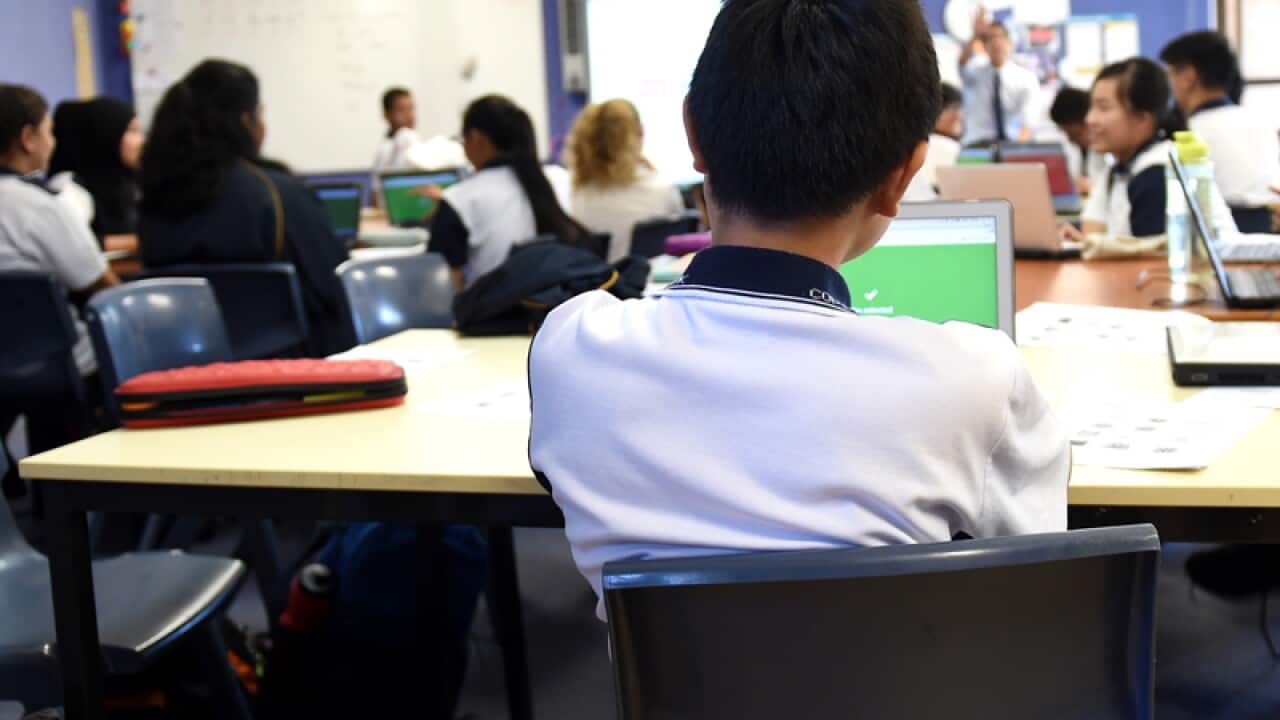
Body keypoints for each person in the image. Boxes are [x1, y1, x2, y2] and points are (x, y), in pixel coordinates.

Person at [529, 0, 1071, 620]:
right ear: (904, 175)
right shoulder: (976, 378)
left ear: (694, 137)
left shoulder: (572, 346)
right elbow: (1039, 572)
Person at [138, 60, 353, 355]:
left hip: (180, 372)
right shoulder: (279, 196)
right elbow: (338, 286)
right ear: (244, 121)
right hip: (291, 379)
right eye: (260, 114)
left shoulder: (154, 199)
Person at [0, 84, 119, 464]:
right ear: (27, 138)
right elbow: (99, 284)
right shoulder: (38, 204)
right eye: (48, 132)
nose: (52, 144)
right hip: (53, 366)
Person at [427, 95, 590, 289]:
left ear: (477, 138)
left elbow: (444, 288)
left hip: (492, 315)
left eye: (465, 140)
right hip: (553, 309)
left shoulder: (459, 199)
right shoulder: (553, 181)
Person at [1067, 58, 1237, 243]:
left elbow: (1150, 262)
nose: (1090, 119)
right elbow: (1092, 235)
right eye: (1091, 107)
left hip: (1205, 272)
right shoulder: (1116, 171)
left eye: (1104, 108)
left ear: (1143, 118)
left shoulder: (1158, 173)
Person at [1161, 31, 1280, 233]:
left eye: (1170, 75)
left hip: (1222, 239)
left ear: (1189, 76)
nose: (1169, 85)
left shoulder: (1189, 134)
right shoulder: (1260, 121)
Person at [566, 99, 685, 262]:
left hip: (599, 285)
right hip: (652, 283)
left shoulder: (578, 196)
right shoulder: (663, 191)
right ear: (640, 132)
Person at [48, 97, 143, 240]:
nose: (141, 141)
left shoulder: (126, 184)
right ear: (106, 134)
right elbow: (69, 245)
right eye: (132, 130)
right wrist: (135, 243)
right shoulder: (70, 191)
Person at [959, 14, 1040, 145]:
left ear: (1010, 43)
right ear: (984, 45)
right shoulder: (974, 71)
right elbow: (962, 63)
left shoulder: (1026, 78)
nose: (996, 42)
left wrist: (1015, 152)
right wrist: (975, 35)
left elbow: (1029, 121)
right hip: (977, 145)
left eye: (1001, 37)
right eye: (991, 38)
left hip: (1013, 144)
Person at [905, 83, 964, 201]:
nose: (959, 115)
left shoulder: (910, 146)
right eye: (952, 108)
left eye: (959, 108)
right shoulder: (949, 148)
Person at [1050, 86, 1107, 195]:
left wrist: (1091, 187)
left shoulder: (1111, 150)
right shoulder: (1072, 149)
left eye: (1075, 135)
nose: (1070, 140)